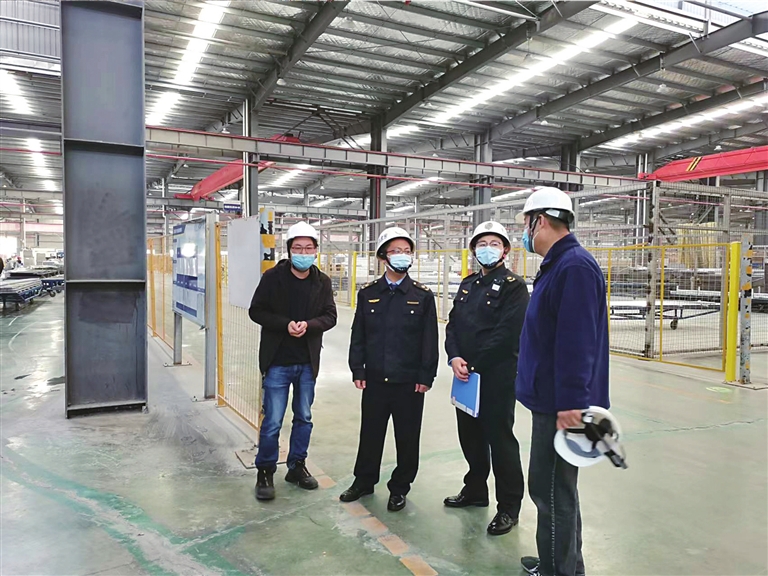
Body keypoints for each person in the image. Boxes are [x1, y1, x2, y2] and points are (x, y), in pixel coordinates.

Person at [514, 187, 610, 576]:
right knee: (558, 490)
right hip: (552, 399)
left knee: (550, 491)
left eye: (526, 224)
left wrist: (571, 404)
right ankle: (564, 563)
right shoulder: (560, 264)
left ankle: (558, 571)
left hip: (561, 405)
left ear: (539, 221)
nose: (524, 232)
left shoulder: (573, 267)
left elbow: (577, 342)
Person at [341, 227, 439, 512]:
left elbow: (430, 340)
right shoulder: (369, 293)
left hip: (409, 382)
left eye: (406, 251)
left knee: (407, 438)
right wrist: (357, 369)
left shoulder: (422, 296)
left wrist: (426, 375)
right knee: (370, 434)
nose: (402, 256)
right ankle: (364, 481)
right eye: (396, 251)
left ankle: (400, 487)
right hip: (375, 379)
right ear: (383, 257)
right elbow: (358, 334)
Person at [444, 221, 529, 536]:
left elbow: (507, 334)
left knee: (500, 440)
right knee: (470, 437)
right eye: (482, 244)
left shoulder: (514, 286)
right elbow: (453, 324)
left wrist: (474, 364)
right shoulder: (468, 284)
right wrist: (454, 357)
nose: (487, 249)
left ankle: (508, 507)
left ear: (505, 251)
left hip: (495, 377)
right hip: (465, 375)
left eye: (494, 243)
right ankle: (475, 490)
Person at [248, 221, 337, 501]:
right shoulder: (272, 278)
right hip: (278, 361)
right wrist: (285, 325)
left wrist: (309, 326)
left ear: (316, 251)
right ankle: (265, 471)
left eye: (308, 248)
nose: (303, 253)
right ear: (288, 250)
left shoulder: (322, 282)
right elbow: (256, 311)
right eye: (298, 248)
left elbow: (330, 316)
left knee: (304, 417)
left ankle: (297, 466)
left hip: (307, 363)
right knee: (273, 420)